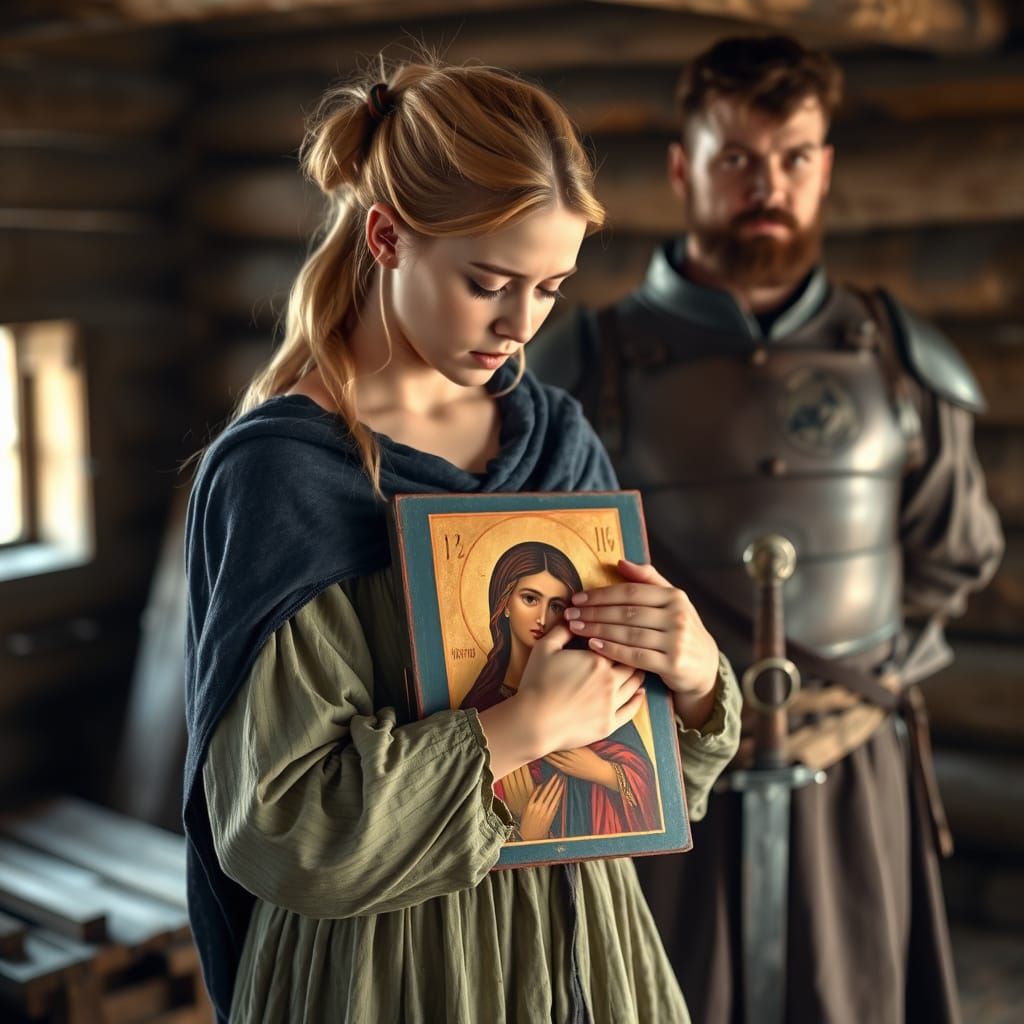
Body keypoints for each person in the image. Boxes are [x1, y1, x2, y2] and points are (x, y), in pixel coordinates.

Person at [182, 59, 741, 1024]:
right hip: (382, 968)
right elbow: (281, 822)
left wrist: (690, 678)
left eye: (551, 288)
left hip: (586, 956)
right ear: (388, 236)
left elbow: (646, 780)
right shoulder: (282, 475)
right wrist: (518, 730)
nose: (519, 325)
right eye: (489, 282)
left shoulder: (556, 440)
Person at [530, 35, 1003, 1024]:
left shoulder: (894, 359)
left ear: (825, 167)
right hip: (657, 777)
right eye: (736, 157)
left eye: (793, 157)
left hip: (849, 769)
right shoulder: (586, 363)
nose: (767, 184)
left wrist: (854, 688)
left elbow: (950, 551)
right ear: (682, 166)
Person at [461, 540, 660, 840]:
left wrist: (603, 772)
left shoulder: (592, 690)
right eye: (530, 599)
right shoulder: (481, 705)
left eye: (556, 606)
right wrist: (526, 832)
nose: (543, 618)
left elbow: (663, 800)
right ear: (503, 605)